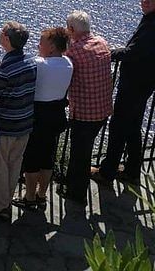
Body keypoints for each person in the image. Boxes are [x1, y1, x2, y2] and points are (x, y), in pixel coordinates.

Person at [94, 0, 155, 185]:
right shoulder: (149, 21)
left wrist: (108, 54)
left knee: (119, 125)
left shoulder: (151, 24)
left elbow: (133, 53)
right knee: (133, 125)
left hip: (135, 83)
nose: (145, 1)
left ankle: (107, 171)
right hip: (144, 83)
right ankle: (132, 169)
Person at [0, 21, 37, 220]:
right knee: (14, 163)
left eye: (2, 33)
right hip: (25, 122)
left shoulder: (5, 69)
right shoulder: (31, 61)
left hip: (7, 124)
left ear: (7, 39)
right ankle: (6, 199)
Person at [13, 27, 72, 209]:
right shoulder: (68, 63)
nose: (38, 44)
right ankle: (42, 194)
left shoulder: (40, 64)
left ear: (52, 46)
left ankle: (29, 197)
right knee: (47, 156)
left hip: (38, 115)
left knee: (31, 157)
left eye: (42, 41)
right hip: (56, 115)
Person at [60, 11, 112, 204]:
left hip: (84, 112)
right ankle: (73, 183)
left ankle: (76, 192)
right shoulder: (102, 43)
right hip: (102, 108)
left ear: (71, 29)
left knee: (80, 153)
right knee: (84, 149)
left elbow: (60, 65)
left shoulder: (74, 51)